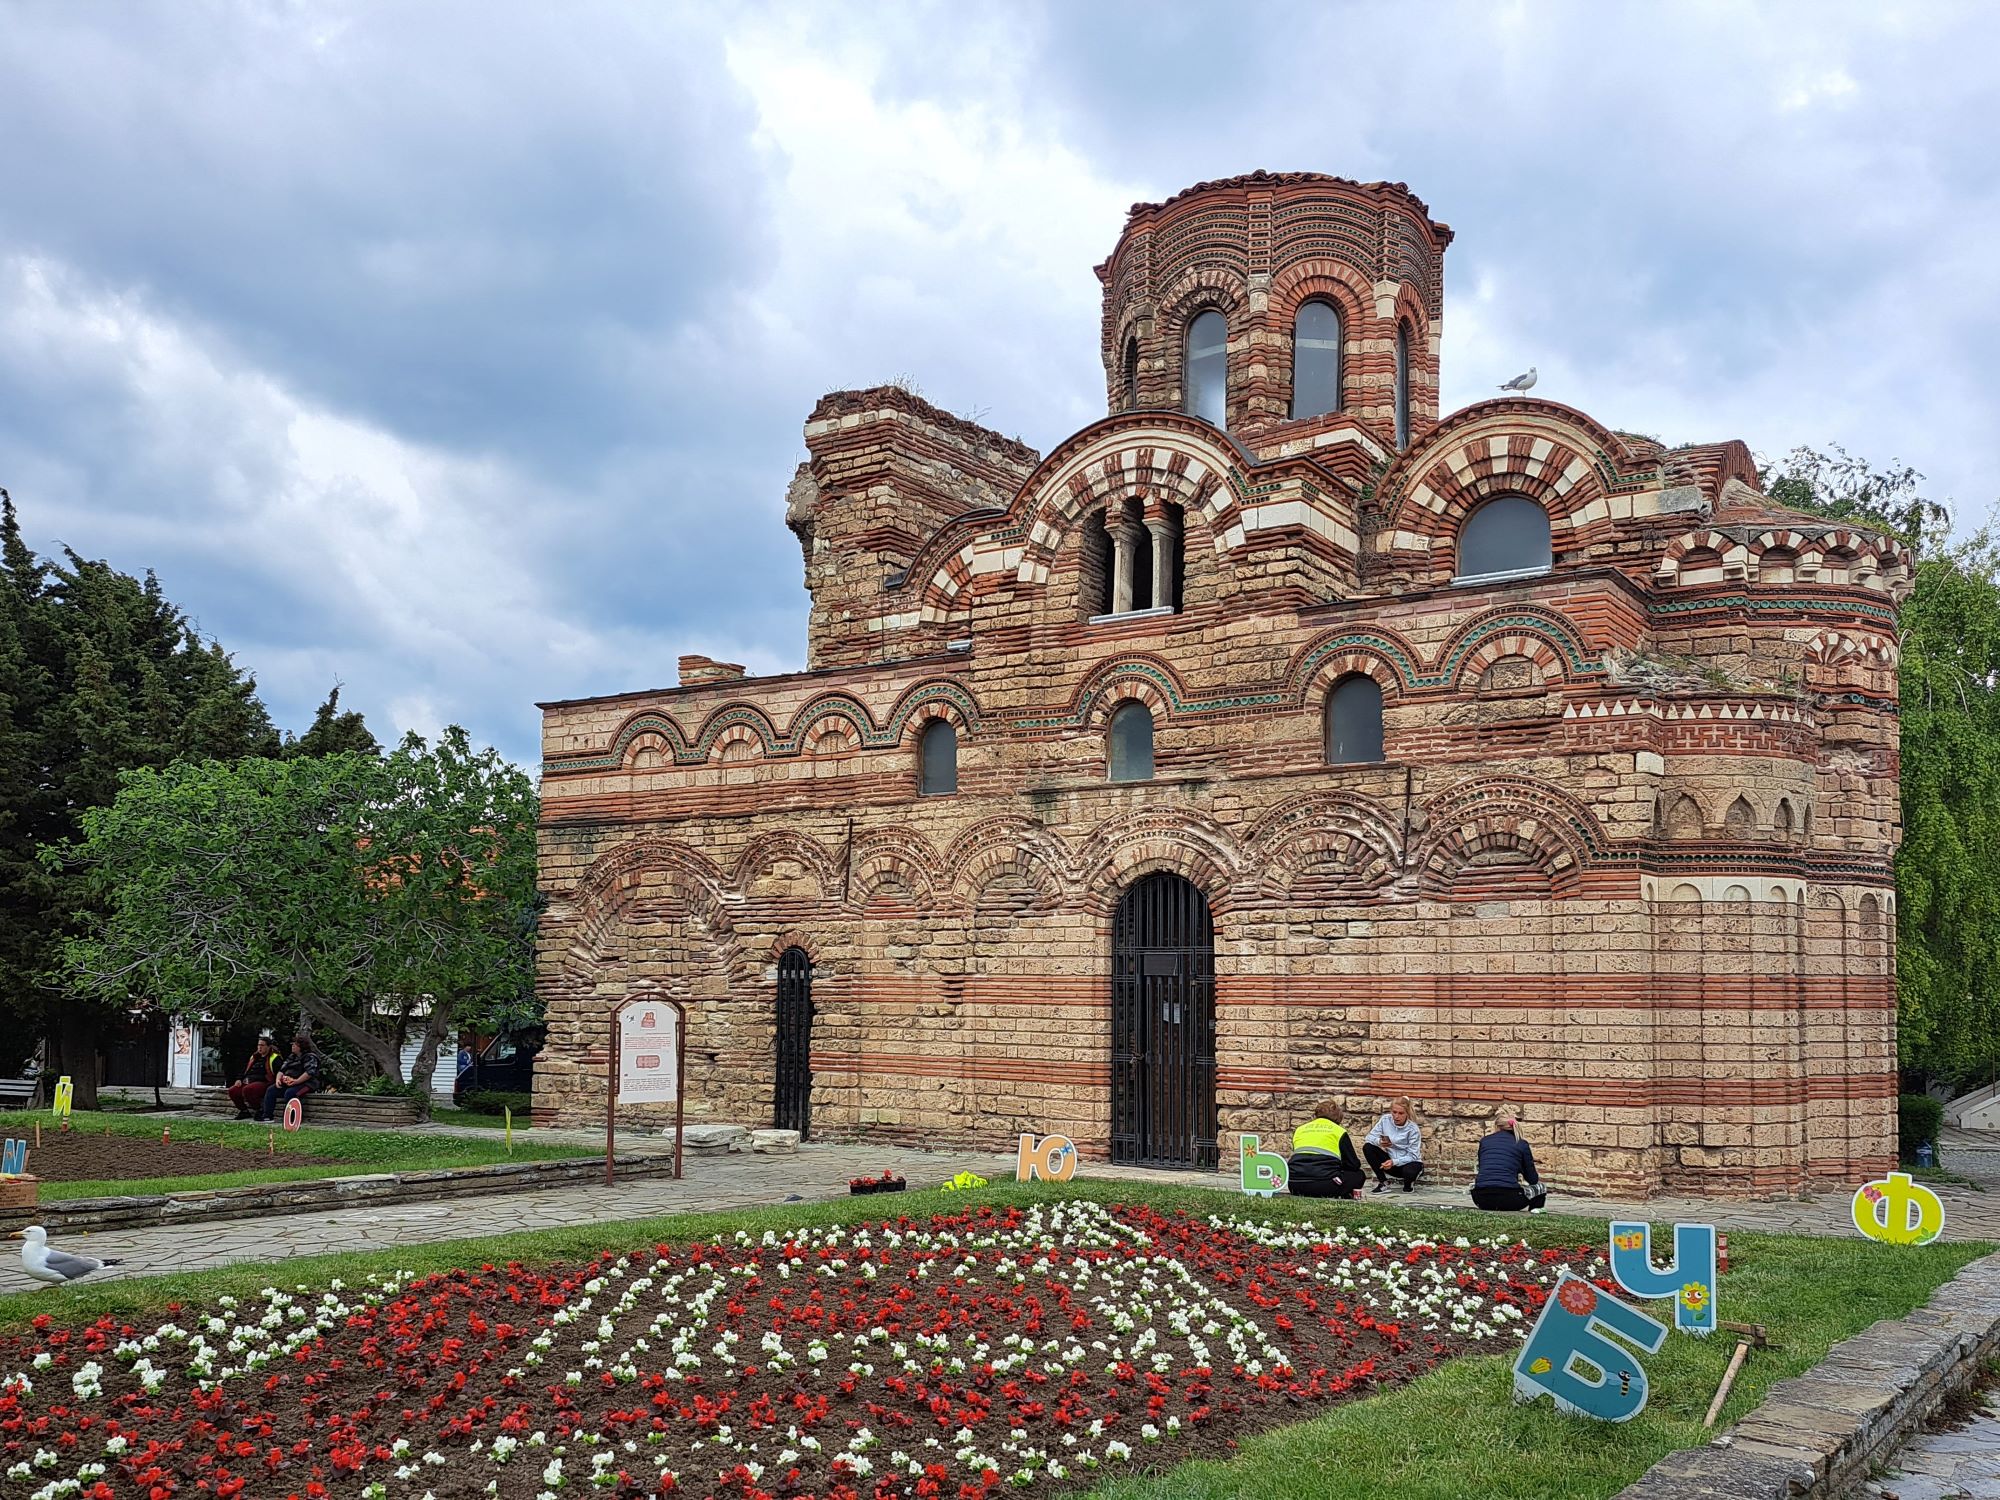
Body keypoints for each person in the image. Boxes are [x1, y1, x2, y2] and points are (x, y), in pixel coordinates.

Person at [1470, 1107, 1547, 1212]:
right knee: (1540, 1187)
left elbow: (1483, 1167)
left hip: (1481, 1199)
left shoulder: (1485, 1141)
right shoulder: (1521, 1143)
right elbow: (1532, 1179)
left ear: (1497, 1127)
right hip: (1510, 1200)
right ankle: (1535, 1212)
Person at [1288, 1100, 1366, 1199]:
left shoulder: (1300, 1129)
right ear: (1338, 1117)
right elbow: (1353, 1164)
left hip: (1295, 1185)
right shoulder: (1338, 1131)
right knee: (1359, 1175)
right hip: (1325, 1185)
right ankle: (1345, 1195)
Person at [1363, 1096, 1425, 1193]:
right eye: (1394, 1112)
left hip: (1408, 1162)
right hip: (1390, 1161)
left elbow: (1413, 1155)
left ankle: (1408, 1184)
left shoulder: (1413, 1129)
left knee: (1409, 1172)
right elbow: (1369, 1138)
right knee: (1368, 1147)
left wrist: (1394, 1161)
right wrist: (1379, 1142)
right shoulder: (1385, 1120)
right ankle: (1383, 1182)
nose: (1396, 1116)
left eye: (1401, 1113)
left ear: (1407, 1114)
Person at [258, 1035, 323, 1123]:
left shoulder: (310, 1057)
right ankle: (267, 1116)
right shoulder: (292, 1057)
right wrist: (278, 1080)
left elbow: (309, 1073)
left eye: (295, 1045)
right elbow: (282, 1070)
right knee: (271, 1090)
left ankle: (292, 1119)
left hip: (306, 1083)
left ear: (301, 1046)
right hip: (289, 1082)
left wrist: (296, 1081)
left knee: (290, 1093)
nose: (292, 1046)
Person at [225, 1037, 276, 1119]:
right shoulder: (254, 1057)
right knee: (233, 1090)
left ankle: (259, 1110)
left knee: (248, 1089)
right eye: (258, 1045)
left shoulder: (274, 1058)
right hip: (249, 1081)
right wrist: (239, 1079)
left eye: (262, 1045)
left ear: (268, 1046)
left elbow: (276, 1073)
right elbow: (245, 1069)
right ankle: (244, 1111)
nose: (259, 1047)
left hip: (265, 1082)